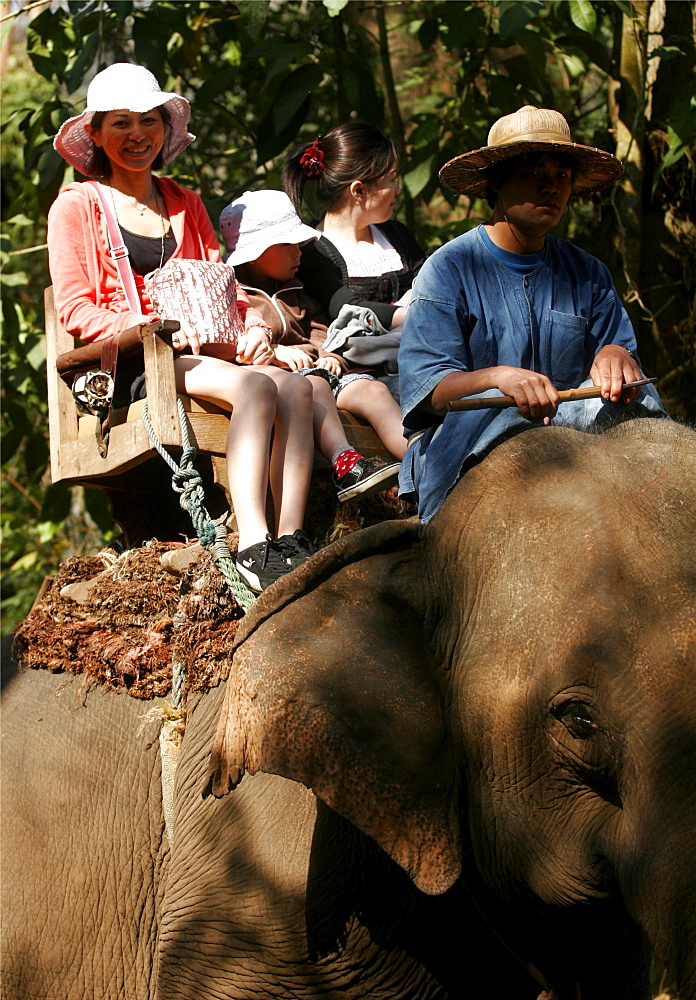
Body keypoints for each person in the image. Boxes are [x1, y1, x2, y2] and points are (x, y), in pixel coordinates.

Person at [49, 62, 316, 592]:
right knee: (259, 387)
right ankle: (253, 545)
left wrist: (253, 327)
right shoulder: (77, 206)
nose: (136, 135)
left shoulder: (185, 202)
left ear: (164, 130)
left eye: (147, 120)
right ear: (96, 135)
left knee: (298, 388)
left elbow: (218, 285)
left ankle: (291, 538)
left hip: (202, 355)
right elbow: (75, 309)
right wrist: (148, 326)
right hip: (131, 360)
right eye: (120, 123)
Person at [397, 105, 667, 523]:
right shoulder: (449, 269)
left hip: (574, 432)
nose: (552, 187)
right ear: (496, 184)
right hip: (476, 440)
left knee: (643, 398)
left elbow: (619, 357)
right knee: (503, 411)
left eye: (562, 175)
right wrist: (497, 378)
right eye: (535, 174)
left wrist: (616, 355)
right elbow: (429, 392)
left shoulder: (588, 272)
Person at [219, 190, 406, 501]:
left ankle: (419, 457)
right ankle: (345, 461)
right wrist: (275, 354)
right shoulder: (236, 300)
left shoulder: (296, 292)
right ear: (255, 253)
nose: (298, 253)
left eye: (299, 244)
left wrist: (327, 353)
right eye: (286, 244)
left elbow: (319, 327)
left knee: (373, 390)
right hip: (283, 384)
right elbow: (235, 347)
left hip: (321, 371)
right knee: (316, 387)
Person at [282, 121, 425, 398]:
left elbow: (429, 284)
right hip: (358, 381)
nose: (398, 189)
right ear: (358, 190)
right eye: (392, 179)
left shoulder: (398, 235)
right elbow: (344, 307)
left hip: (419, 360)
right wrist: (421, 315)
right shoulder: (311, 249)